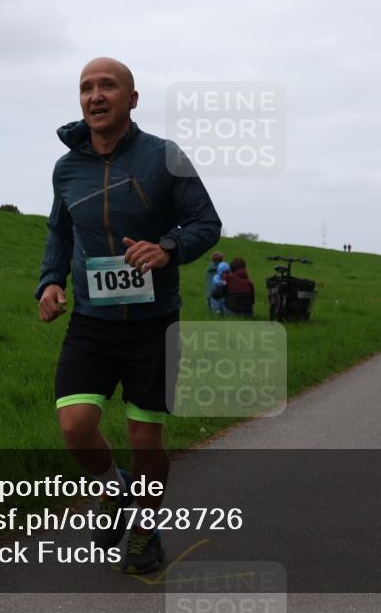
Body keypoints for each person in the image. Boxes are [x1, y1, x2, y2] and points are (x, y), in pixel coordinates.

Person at [36, 57, 222, 574]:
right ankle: (115, 491)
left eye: (108, 86)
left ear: (132, 99)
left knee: (147, 442)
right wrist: (51, 280)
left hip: (153, 324)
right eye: (86, 88)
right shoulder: (67, 167)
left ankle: (144, 529)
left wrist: (167, 247)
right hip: (92, 322)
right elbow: (60, 232)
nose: (95, 96)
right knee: (75, 427)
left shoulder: (165, 157)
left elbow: (206, 223)